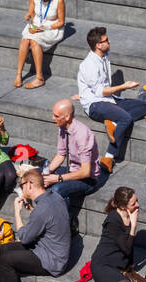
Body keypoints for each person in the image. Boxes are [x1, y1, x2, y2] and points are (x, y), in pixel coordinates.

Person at [76, 26, 146, 171]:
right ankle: (109, 157)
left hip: (110, 100)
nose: (109, 41)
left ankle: (113, 122)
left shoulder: (104, 56)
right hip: (96, 105)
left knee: (145, 106)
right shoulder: (88, 65)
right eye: (106, 40)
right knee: (126, 118)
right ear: (98, 45)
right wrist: (123, 87)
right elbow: (99, 92)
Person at [0, 166, 71, 282]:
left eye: (22, 185)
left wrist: (17, 212)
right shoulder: (55, 197)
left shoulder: (42, 209)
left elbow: (23, 238)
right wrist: (31, 210)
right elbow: (47, 219)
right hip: (53, 250)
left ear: (29, 184)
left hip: (51, 261)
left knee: (7, 260)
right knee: (4, 248)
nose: (21, 188)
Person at [42, 100, 104, 233]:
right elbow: (60, 155)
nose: (53, 119)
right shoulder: (63, 128)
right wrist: (46, 173)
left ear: (67, 117)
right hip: (72, 170)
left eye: (56, 116)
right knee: (37, 175)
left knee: (58, 189)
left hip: (87, 179)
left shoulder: (82, 135)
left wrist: (57, 178)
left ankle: (69, 223)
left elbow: (86, 172)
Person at [14, 0, 65, 89]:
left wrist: (44, 28)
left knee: (33, 41)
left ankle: (39, 77)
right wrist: (28, 16)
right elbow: (31, 12)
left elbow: (61, 22)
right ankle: (18, 74)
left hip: (52, 28)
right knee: (25, 41)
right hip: (36, 24)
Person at [90, 186, 141, 282]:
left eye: (137, 201)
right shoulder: (113, 221)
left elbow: (130, 247)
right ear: (123, 206)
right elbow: (126, 249)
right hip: (103, 266)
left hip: (118, 265)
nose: (138, 205)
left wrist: (130, 267)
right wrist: (133, 227)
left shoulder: (129, 216)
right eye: (133, 204)